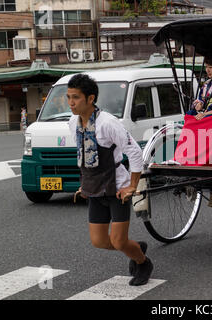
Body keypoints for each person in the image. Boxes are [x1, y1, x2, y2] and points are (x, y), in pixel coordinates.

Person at [67, 74, 153, 286]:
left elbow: (134, 152)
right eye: (68, 97)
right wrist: (84, 184)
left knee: (118, 240)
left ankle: (143, 262)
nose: (71, 102)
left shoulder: (108, 123)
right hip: (94, 188)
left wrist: (132, 186)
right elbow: (85, 154)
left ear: (90, 98)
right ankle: (135, 247)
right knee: (99, 241)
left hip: (117, 188)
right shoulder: (72, 122)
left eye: (76, 97)